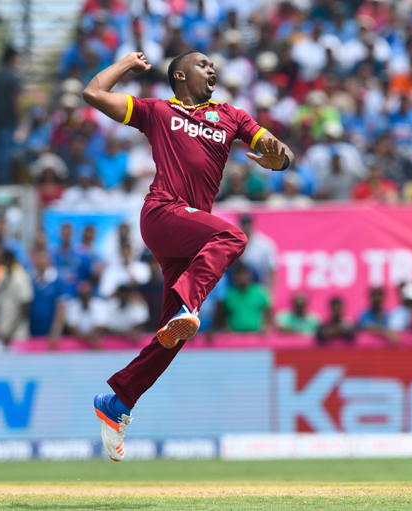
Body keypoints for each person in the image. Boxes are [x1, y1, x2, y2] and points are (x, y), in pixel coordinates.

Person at [83, 50, 293, 460]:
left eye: (213, 66)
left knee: (172, 337)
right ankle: (188, 304)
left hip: (190, 235)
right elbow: (93, 93)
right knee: (233, 235)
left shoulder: (231, 115)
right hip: (162, 212)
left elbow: (279, 149)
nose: (212, 69)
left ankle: (117, 401)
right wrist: (126, 63)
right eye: (202, 65)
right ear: (179, 75)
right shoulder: (156, 111)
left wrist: (280, 160)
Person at [0, 46, 22, 184]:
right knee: (5, 150)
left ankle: (0, 178)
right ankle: (4, 180)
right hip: (8, 118)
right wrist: (19, 118)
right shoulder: (13, 77)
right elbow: (15, 99)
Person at [0, 250, 33, 346]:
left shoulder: (21, 277)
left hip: (17, 335)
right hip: (4, 335)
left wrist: (10, 331)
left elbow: (25, 307)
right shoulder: (3, 277)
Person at [29, 250, 65, 348]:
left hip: (50, 335)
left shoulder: (56, 281)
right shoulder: (30, 281)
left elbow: (61, 308)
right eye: (39, 258)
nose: (41, 261)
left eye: (44, 258)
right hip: (33, 332)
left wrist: (56, 331)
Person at [64, 280, 107, 349]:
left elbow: (100, 325)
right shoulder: (72, 305)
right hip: (78, 341)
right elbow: (71, 327)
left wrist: (89, 337)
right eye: (82, 294)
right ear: (78, 294)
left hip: (95, 339)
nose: (84, 296)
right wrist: (87, 338)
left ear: (91, 293)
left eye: (86, 294)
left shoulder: (99, 304)